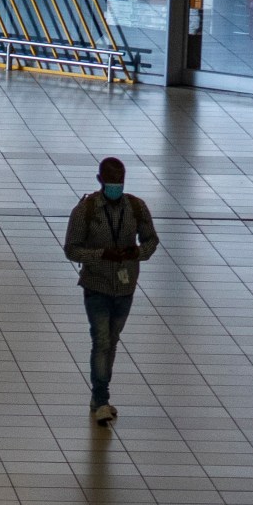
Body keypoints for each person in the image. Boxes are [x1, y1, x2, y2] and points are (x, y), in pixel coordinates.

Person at [62, 157, 159, 426]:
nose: (116, 188)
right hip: (97, 285)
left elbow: (151, 239)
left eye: (120, 183)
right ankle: (101, 399)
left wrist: (137, 252)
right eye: (111, 183)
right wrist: (100, 255)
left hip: (126, 286)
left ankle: (99, 396)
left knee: (112, 341)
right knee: (101, 341)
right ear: (100, 180)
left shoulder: (136, 207)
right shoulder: (86, 210)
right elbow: (71, 248)